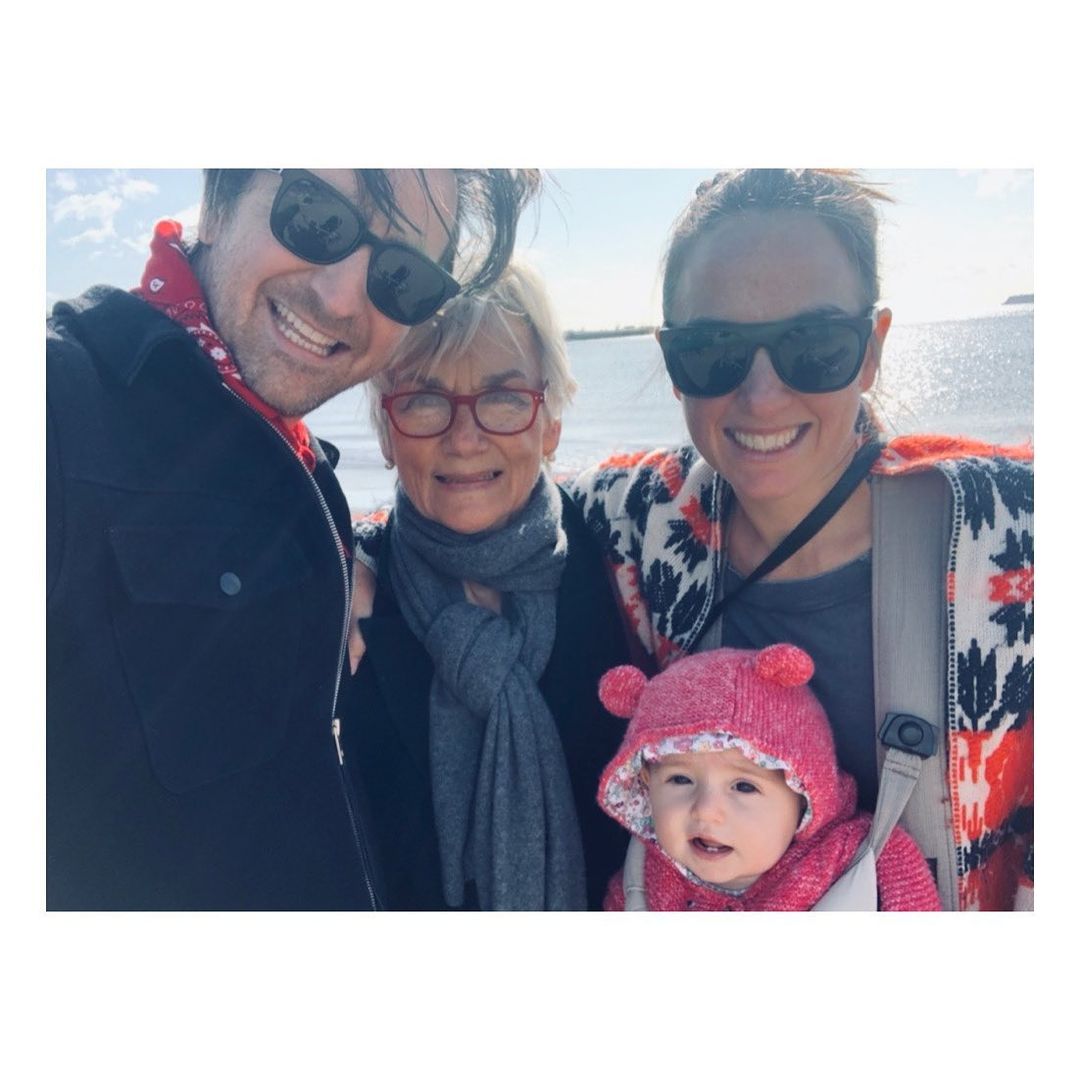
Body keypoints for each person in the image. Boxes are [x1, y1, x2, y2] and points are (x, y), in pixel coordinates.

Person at [46, 167, 540, 910]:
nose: (342, 299)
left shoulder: (299, 467)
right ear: (220, 196)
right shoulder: (56, 405)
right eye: (317, 217)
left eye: (402, 277)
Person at [570, 169, 1033, 911]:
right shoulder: (646, 519)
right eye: (714, 350)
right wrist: (368, 558)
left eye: (814, 345)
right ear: (672, 362)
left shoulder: (1011, 534)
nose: (762, 396)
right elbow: (508, 489)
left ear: (872, 348)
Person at [345, 263, 631, 910]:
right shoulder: (347, 600)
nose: (465, 439)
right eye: (423, 399)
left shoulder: (623, 551)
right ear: (387, 434)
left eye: (503, 397)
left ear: (550, 424)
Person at [596, 644, 941, 911]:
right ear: (645, 784)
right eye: (680, 780)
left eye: (744, 786)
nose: (706, 811)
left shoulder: (867, 862)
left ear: (804, 798)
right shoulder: (639, 882)